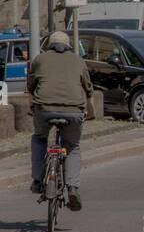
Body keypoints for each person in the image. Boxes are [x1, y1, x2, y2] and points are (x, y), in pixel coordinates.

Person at [27, 31, 94, 211]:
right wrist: (90, 110)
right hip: (73, 111)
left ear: (49, 45)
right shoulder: (78, 61)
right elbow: (88, 89)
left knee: (39, 138)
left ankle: (37, 180)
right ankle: (72, 188)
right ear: (68, 47)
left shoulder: (39, 59)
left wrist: (31, 106)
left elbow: (31, 86)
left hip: (44, 109)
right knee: (72, 146)